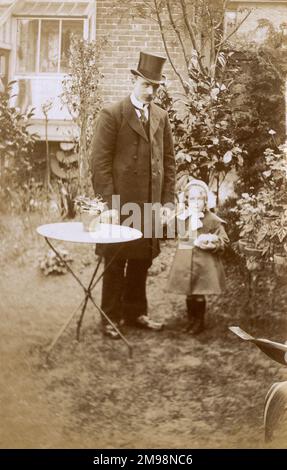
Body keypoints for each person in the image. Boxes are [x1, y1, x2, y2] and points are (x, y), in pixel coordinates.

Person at [90, 51, 175, 338]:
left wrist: (167, 201)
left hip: (149, 205)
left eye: (155, 86)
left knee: (142, 260)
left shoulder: (161, 117)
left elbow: (168, 163)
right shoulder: (112, 114)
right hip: (120, 205)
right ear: (134, 81)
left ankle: (136, 312)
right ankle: (110, 318)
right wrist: (108, 203)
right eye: (146, 85)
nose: (150, 91)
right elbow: (99, 163)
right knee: (116, 261)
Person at [167, 179, 229, 334]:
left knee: (199, 292)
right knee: (189, 292)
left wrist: (213, 243)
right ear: (186, 200)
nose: (196, 203)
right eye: (192, 199)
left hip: (203, 262)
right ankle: (191, 320)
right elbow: (172, 231)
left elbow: (224, 240)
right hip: (185, 259)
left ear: (206, 200)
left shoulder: (212, 220)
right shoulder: (183, 217)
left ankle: (199, 323)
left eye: (200, 199)